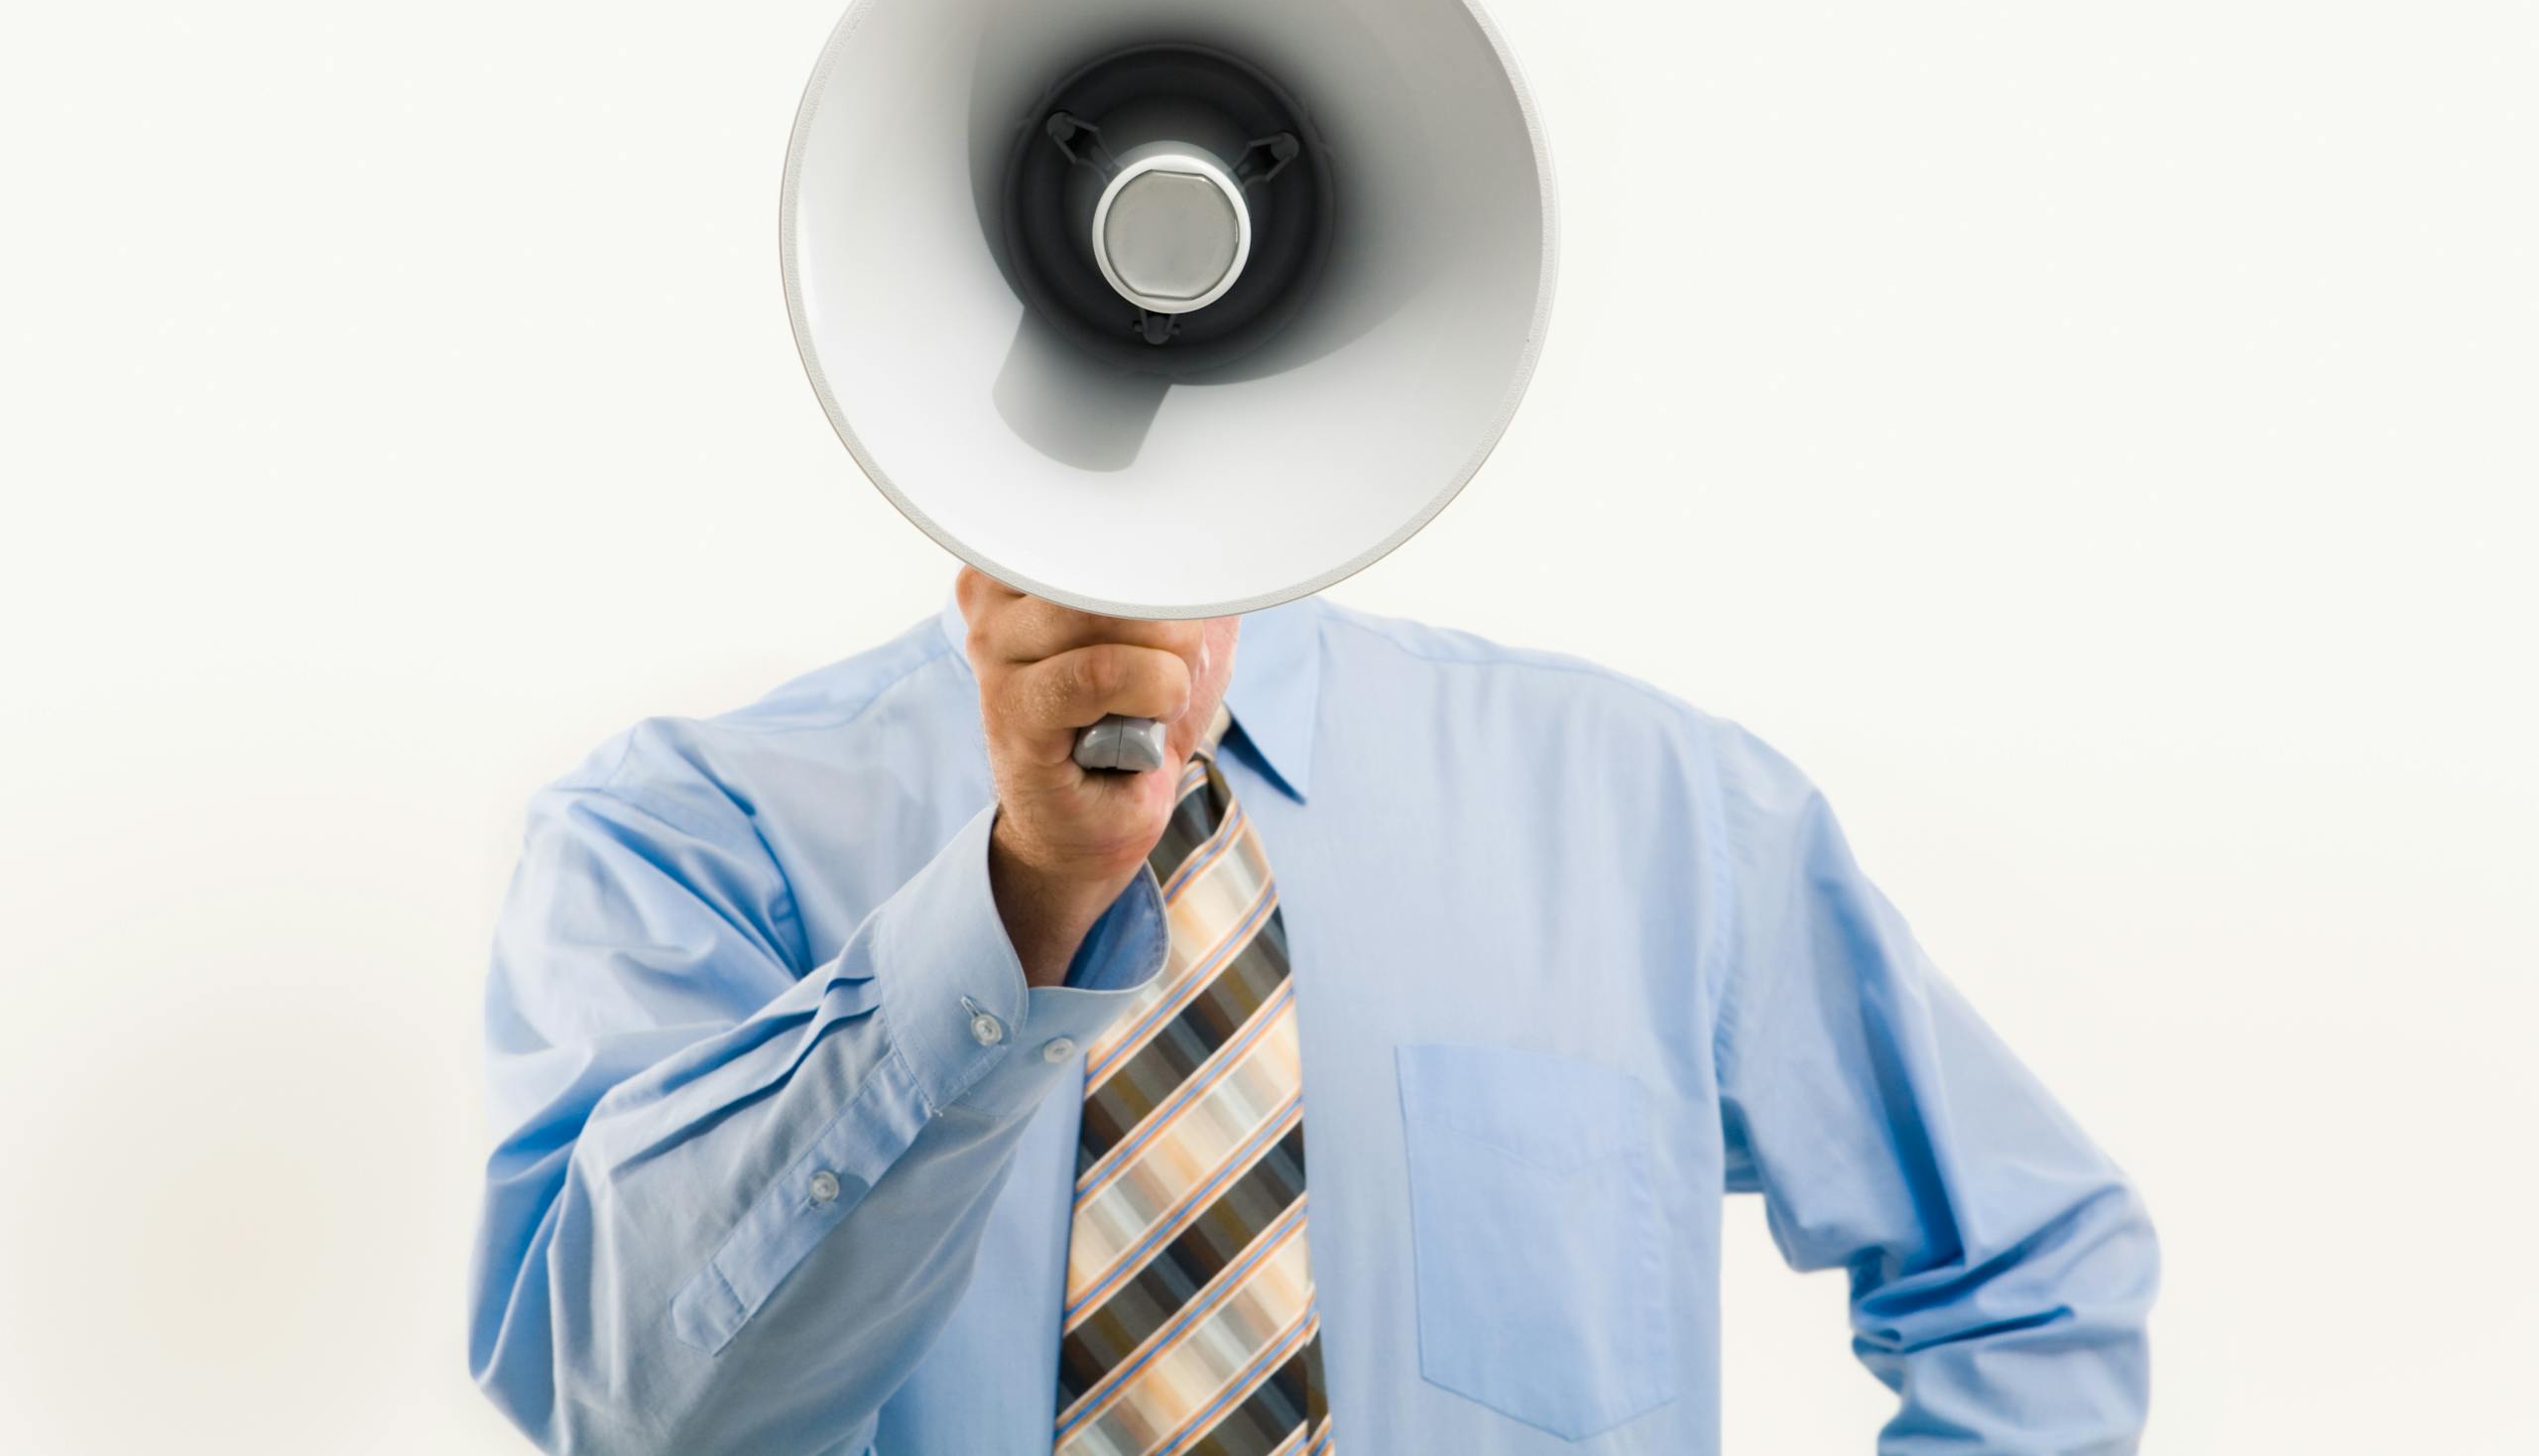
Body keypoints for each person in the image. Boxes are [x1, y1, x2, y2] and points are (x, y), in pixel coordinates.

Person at [468, 569, 2158, 1454]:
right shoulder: (685, 841)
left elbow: (2024, 1269)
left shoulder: (1652, 809)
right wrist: (1019, 895)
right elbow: (634, 1421)